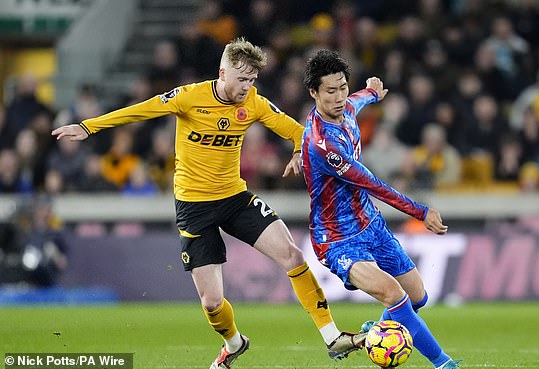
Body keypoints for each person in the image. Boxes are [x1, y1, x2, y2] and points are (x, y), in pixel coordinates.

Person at [51, 38, 365, 369]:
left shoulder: (254, 103)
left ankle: (332, 336)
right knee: (212, 302)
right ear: (222, 73)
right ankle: (233, 343)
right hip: (194, 207)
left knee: (292, 255)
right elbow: (140, 110)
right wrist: (89, 126)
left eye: (252, 80)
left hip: (235, 198)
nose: (247, 87)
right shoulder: (190, 97)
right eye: (242, 79)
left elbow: (298, 131)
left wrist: (299, 150)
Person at [300, 49, 462, 369]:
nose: (339, 96)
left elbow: (356, 101)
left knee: (418, 297)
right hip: (337, 238)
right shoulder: (324, 144)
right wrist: (420, 211)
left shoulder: (346, 106)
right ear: (314, 93)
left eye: (343, 87)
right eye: (330, 91)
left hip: (370, 224)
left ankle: (376, 329)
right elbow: (371, 183)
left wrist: (372, 92)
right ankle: (443, 363)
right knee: (394, 294)